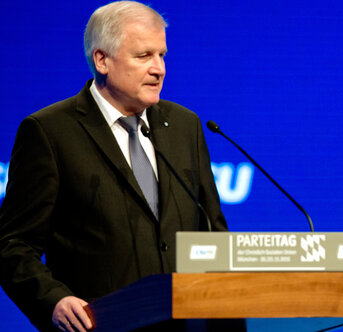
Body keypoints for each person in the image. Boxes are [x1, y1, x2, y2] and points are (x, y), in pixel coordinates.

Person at [0, 2, 228, 331]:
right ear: (102, 59)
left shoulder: (184, 126)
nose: (159, 68)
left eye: (162, 55)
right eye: (144, 55)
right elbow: (13, 244)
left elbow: (214, 233)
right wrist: (54, 300)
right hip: (102, 325)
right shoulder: (51, 132)